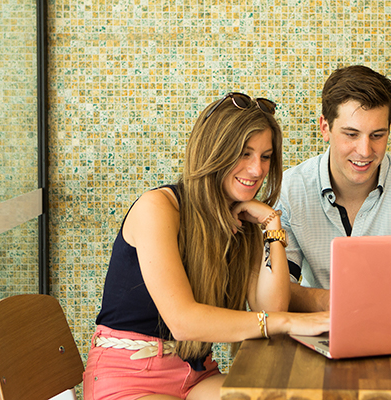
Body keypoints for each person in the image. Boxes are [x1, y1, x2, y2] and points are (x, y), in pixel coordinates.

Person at [84, 93, 329, 400]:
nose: (256, 170)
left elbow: (271, 307)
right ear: (214, 151)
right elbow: (183, 322)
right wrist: (293, 321)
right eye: (244, 154)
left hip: (196, 375)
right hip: (129, 376)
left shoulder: (244, 218)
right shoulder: (158, 208)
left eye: (265, 156)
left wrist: (271, 225)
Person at [278, 65, 391, 312]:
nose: (365, 151)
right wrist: (339, 303)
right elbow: (278, 289)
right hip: (321, 331)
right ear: (325, 128)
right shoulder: (290, 190)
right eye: (351, 134)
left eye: (377, 135)